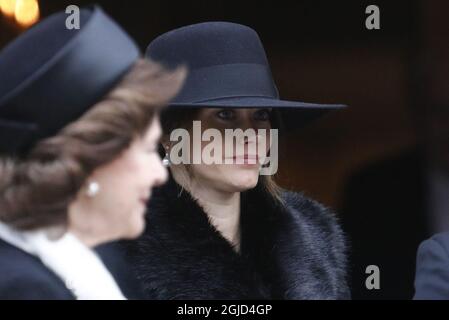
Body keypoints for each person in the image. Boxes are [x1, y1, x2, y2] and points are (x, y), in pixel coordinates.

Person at [127, 22, 350, 299]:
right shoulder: (122, 248)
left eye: (261, 115)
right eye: (225, 115)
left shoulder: (314, 240)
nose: (250, 135)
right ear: (168, 135)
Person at [0, 6, 185, 300]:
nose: (160, 174)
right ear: (87, 158)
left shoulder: (105, 261)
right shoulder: (21, 289)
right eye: (149, 149)